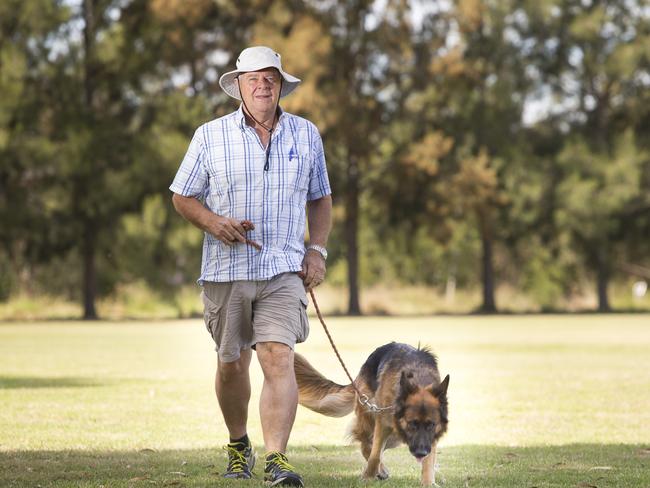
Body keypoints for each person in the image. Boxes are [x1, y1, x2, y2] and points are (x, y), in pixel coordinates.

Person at [169, 46, 332, 487]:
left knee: (278, 355)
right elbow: (182, 196)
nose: (263, 85)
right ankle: (239, 444)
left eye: (271, 78)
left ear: (281, 85)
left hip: (283, 268)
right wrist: (214, 222)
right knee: (232, 364)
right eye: (254, 78)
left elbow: (321, 197)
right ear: (237, 85)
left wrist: (316, 251)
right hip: (225, 269)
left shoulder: (306, 134)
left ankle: (276, 458)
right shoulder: (209, 136)